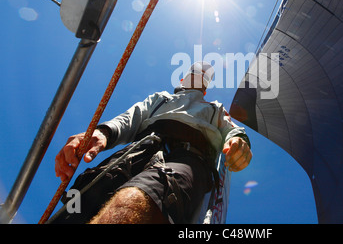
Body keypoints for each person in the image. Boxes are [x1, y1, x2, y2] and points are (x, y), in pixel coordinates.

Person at [54, 61, 252, 224]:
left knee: (134, 206)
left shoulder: (215, 109)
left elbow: (232, 130)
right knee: (79, 206)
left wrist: (238, 141)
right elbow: (133, 117)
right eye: (195, 73)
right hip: (139, 149)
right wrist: (103, 133)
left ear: (206, 88)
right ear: (183, 79)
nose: (198, 77)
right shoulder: (161, 98)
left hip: (188, 158)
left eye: (203, 76)